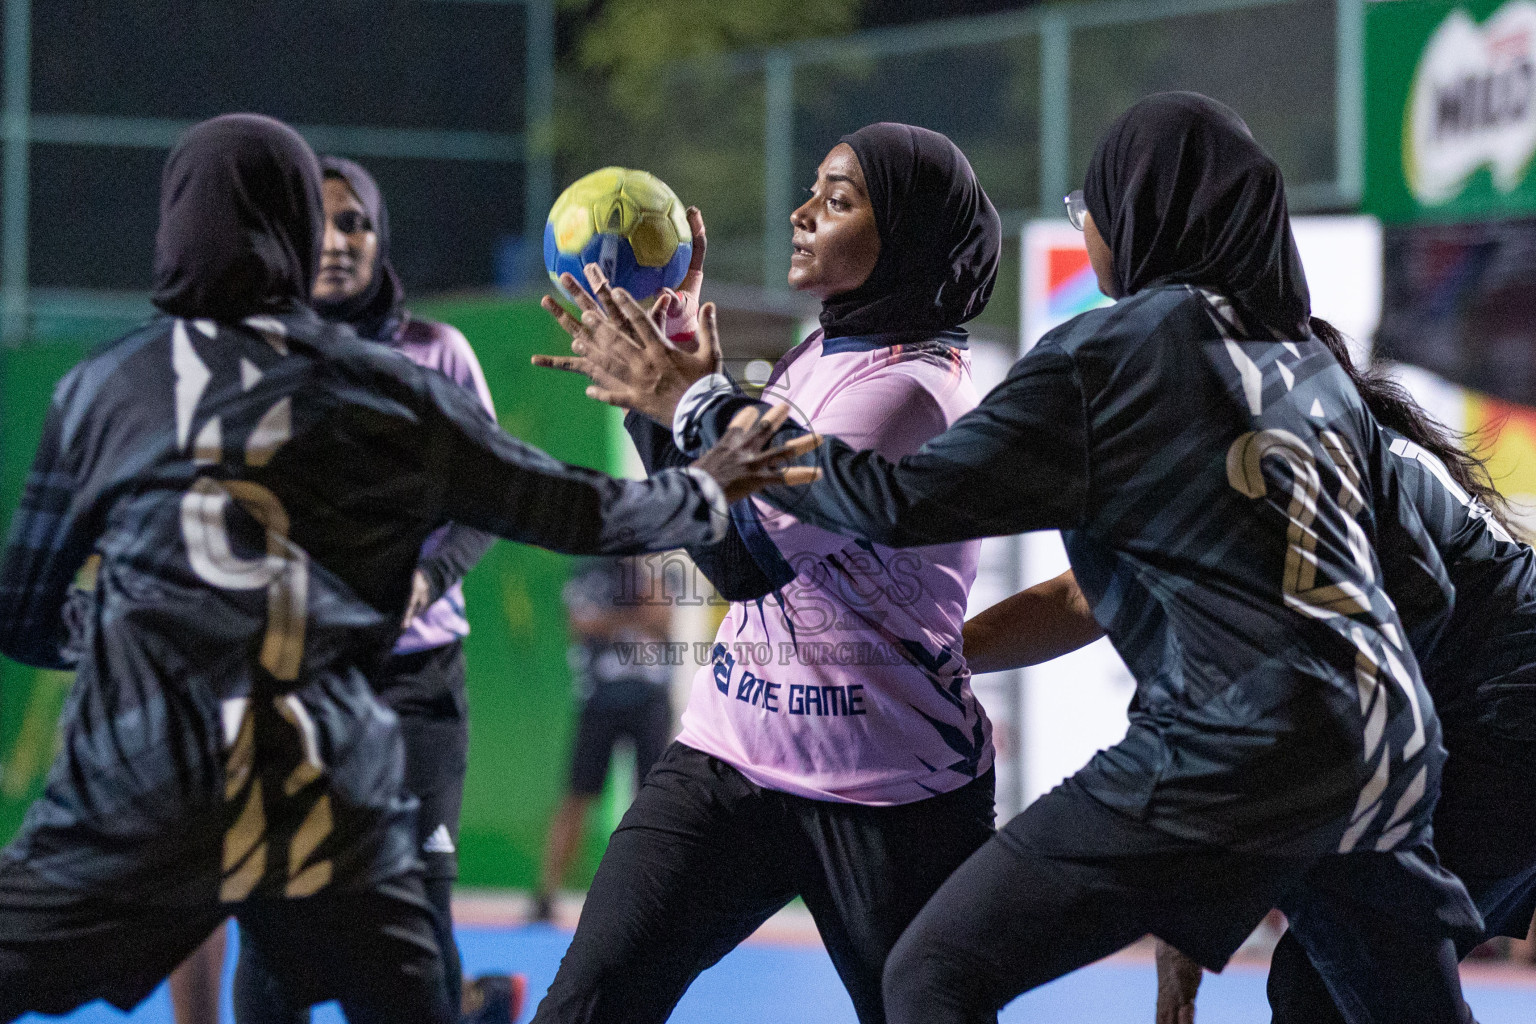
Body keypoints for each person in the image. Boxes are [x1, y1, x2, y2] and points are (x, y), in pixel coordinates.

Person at [564, 94, 1482, 1024]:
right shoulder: (1306, 364)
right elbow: (1415, 590)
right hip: (1383, 746)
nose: (1086, 225)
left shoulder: (1104, 355)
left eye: (1096, 204)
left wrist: (697, 402)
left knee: (933, 978)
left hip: (976, 777)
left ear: (1144, 212)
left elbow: (886, 505)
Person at [0, 113, 814, 1023]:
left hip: (131, 793)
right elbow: (574, 511)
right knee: (405, 1001)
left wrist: (154, 625)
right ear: (300, 231)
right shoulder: (385, 387)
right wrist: (709, 484)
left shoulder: (99, 391)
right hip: (329, 804)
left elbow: (24, 612)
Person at [528, 123, 1001, 1024]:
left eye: (838, 198)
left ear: (900, 234)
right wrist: (658, 390)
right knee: (585, 1007)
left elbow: (743, 558)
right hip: (731, 760)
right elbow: (703, 496)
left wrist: (669, 397)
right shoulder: (820, 352)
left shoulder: (908, 392)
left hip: (887, 793)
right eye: (813, 191)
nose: (801, 213)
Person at [1131, 321, 1536, 1024]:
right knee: (1331, 976)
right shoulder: (1351, 456)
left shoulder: (1316, 480)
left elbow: (1294, 714)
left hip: (1508, 737)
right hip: (1498, 734)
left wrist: (1189, 918)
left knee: (1339, 975)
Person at [214, 154, 520, 1024]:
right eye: (321, 221)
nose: (341, 239)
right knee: (277, 937)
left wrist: (428, 577)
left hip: (415, 684)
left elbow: (490, 501)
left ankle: (462, 1003)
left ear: (379, 240)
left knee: (414, 921)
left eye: (358, 223)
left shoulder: (439, 354)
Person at [532, 556, 673, 923]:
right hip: (600, 697)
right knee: (577, 795)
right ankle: (546, 895)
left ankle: (651, 897)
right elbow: (582, 625)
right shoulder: (588, 569)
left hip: (650, 699)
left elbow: (662, 620)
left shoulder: (654, 568)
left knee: (652, 801)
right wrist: (630, 620)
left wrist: (642, 570)